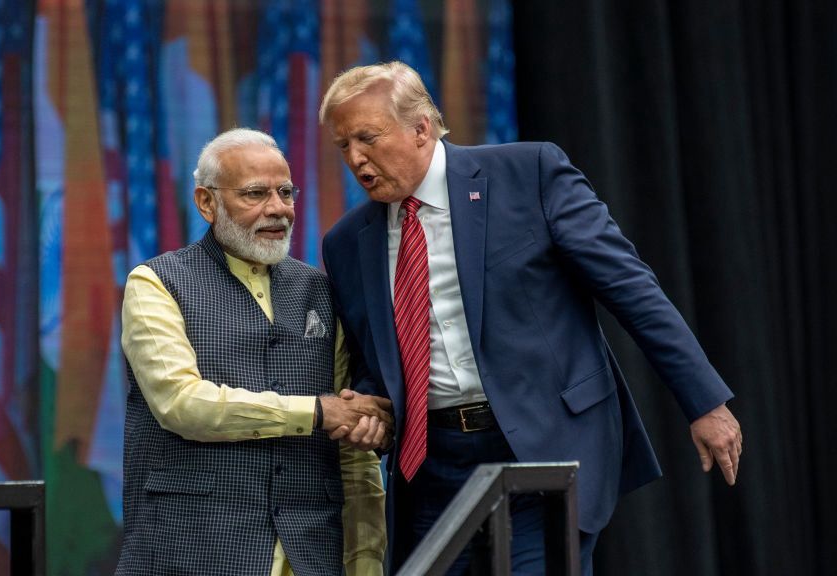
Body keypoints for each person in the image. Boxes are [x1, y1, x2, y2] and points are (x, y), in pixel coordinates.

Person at [318, 62, 743, 575]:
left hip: (542, 449)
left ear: (421, 128)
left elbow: (632, 289)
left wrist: (705, 403)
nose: (356, 158)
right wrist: (372, 408)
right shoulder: (345, 243)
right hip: (431, 469)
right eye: (344, 146)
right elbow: (376, 363)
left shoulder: (529, 174)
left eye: (367, 138)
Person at [116, 128, 390, 576]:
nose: (278, 209)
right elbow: (181, 404)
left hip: (312, 555)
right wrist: (315, 413)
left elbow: (352, 448)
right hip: (192, 552)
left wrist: (366, 561)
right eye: (255, 194)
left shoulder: (320, 289)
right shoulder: (156, 282)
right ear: (207, 203)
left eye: (285, 192)